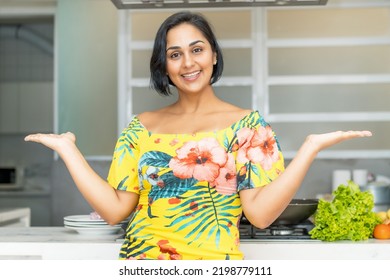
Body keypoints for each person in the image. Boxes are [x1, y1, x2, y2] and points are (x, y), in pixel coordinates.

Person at [24, 11, 372, 260]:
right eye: (174, 54)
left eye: (197, 49)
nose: (188, 63)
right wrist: (68, 150)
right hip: (144, 265)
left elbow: (262, 216)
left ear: (213, 55)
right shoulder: (140, 127)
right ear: (164, 67)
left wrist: (309, 149)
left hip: (217, 268)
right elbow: (116, 210)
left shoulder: (248, 126)